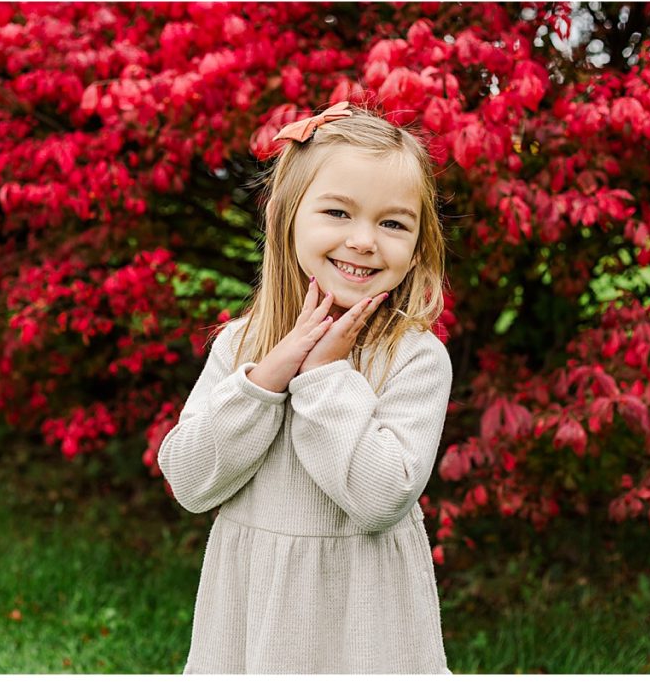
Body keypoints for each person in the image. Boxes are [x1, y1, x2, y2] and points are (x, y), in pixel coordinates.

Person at [157, 100, 454, 674]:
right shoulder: (243, 347)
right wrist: (266, 381)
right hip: (253, 618)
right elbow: (190, 483)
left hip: (368, 627)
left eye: (393, 223)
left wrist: (323, 378)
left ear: (418, 245)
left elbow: (379, 499)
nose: (365, 240)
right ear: (288, 218)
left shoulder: (415, 359)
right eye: (338, 213)